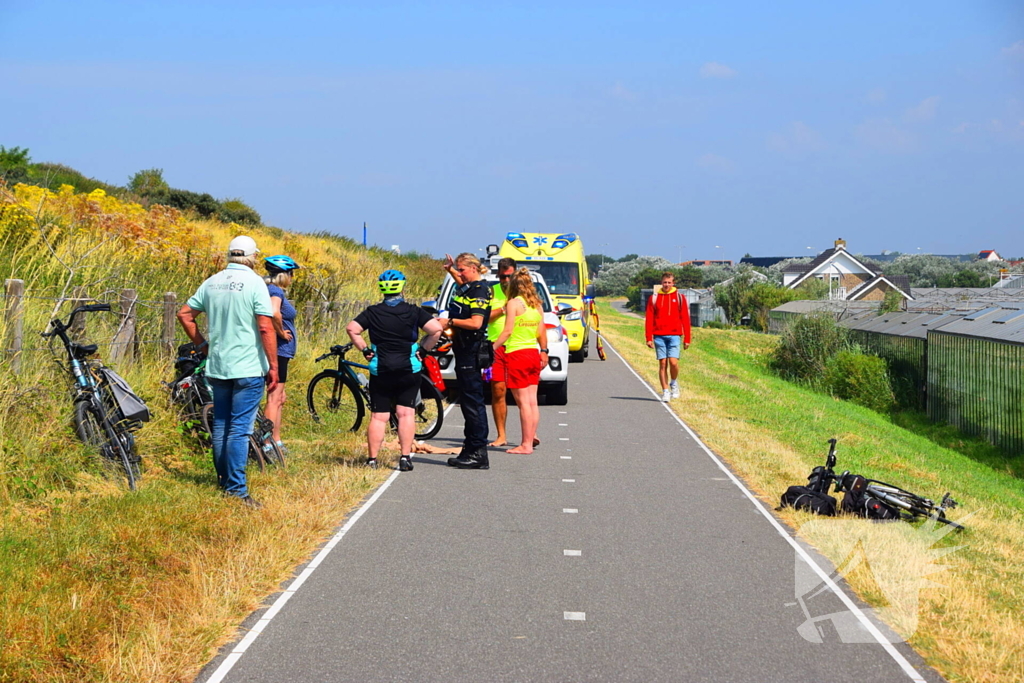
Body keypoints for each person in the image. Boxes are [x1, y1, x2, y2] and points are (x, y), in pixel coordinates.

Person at [177, 235, 278, 508]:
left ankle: (224, 482)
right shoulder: (255, 283)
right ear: (253, 256)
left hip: (218, 365)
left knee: (221, 425)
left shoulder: (213, 281)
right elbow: (266, 327)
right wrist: (274, 366)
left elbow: (185, 314)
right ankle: (237, 489)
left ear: (229, 255)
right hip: (247, 365)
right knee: (239, 430)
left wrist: (203, 345)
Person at [346, 270, 443, 472]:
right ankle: (405, 457)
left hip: (381, 369)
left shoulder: (372, 312)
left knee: (378, 416)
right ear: (402, 287)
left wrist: (365, 350)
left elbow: (352, 329)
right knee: (406, 414)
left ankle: (372, 460)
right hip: (408, 369)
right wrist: (423, 350)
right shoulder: (413, 311)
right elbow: (436, 329)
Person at [438, 252, 493, 469]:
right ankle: (469, 447)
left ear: (473, 268)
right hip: (462, 348)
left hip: (471, 349)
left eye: (462, 269)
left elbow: (476, 322)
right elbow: (461, 283)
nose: (460, 274)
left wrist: (450, 320)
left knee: (473, 402)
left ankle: (478, 451)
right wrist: (450, 269)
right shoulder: (469, 286)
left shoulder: (479, 290)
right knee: (467, 400)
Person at [492, 268, 547, 454]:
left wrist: (492, 347)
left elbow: (507, 332)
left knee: (523, 402)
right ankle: (530, 439)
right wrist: (544, 351)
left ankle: (526, 444)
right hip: (533, 352)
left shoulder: (513, 304)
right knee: (532, 401)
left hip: (517, 353)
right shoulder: (537, 305)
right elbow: (541, 331)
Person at [263, 255, 301, 454]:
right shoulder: (275, 290)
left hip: (281, 351)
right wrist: (280, 332)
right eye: (291, 273)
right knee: (274, 397)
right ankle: (267, 443)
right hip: (277, 350)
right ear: (283, 274)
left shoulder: (268, 289)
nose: (292, 277)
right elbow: (274, 312)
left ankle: (276, 440)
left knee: (280, 397)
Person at [644, 271, 692, 402]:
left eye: (669, 282)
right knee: (663, 363)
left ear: (673, 283)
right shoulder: (654, 298)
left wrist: (687, 338)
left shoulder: (680, 297)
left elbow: (685, 319)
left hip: (675, 335)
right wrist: (648, 337)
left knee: (673, 362)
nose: (666, 285)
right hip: (659, 335)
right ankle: (665, 391)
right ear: (661, 283)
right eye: (664, 282)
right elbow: (649, 319)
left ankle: (674, 383)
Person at [486, 257, 516, 447]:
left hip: (519, 346)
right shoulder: (491, 292)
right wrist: (504, 309)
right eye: (503, 277)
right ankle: (501, 435)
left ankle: (530, 434)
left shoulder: (525, 293)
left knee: (522, 394)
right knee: (498, 391)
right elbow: (485, 317)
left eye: (509, 276)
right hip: (496, 346)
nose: (506, 281)